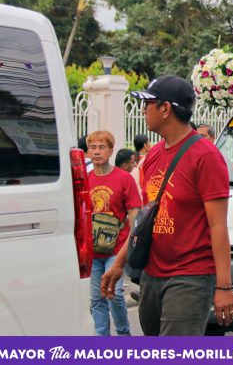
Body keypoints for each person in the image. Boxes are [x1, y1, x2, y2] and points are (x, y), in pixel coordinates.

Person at [101, 75, 233, 336]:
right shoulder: (152, 155)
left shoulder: (206, 156)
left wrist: (224, 287)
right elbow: (145, 218)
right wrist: (119, 263)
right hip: (152, 274)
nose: (143, 110)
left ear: (165, 109)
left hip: (190, 277)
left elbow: (218, 226)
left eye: (148, 103)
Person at [87, 131, 142, 336]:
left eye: (102, 147)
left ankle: (123, 335)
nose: (97, 152)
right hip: (93, 251)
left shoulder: (124, 179)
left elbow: (133, 214)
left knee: (115, 294)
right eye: (93, 147)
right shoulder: (85, 179)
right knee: (96, 298)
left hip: (116, 248)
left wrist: (132, 243)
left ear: (110, 151)